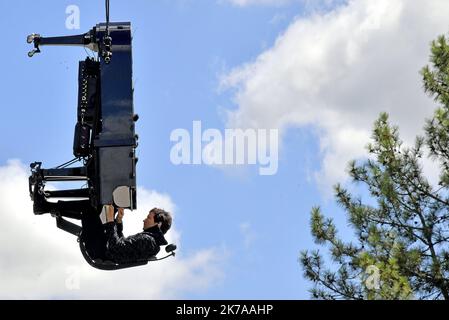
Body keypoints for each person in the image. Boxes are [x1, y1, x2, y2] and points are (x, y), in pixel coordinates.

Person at [102, 205, 173, 263]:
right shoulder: (150, 241)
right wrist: (119, 221)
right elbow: (122, 245)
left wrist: (110, 220)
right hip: (105, 251)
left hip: (102, 252)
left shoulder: (148, 241)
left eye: (148, 218)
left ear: (158, 224)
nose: (144, 220)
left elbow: (116, 247)